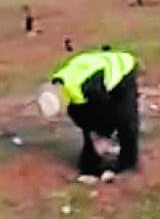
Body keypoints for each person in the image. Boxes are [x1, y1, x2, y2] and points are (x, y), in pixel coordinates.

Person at [38, 49, 140, 181]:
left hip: (122, 69)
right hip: (94, 76)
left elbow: (106, 109)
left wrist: (104, 134)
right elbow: (80, 115)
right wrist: (92, 134)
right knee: (89, 118)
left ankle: (128, 163)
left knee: (125, 118)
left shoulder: (90, 88)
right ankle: (91, 162)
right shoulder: (60, 84)